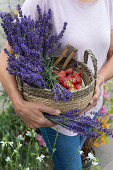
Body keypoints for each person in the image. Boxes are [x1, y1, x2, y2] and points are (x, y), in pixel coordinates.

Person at [0, 0, 113, 169]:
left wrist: (98, 79)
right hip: (57, 116)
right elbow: (5, 56)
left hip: (92, 108)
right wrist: (18, 103)